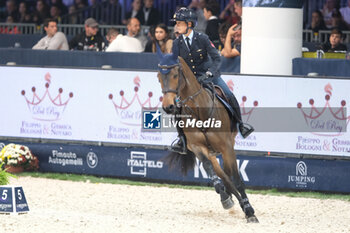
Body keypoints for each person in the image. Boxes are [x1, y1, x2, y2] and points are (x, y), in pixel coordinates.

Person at [169, 7, 254, 154]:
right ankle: (181, 139)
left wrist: (209, 73)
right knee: (177, 105)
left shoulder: (203, 39)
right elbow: (176, 64)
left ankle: (241, 125)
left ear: (189, 24)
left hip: (210, 76)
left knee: (228, 93)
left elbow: (217, 58)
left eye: (180, 23)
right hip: (191, 81)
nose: (177, 25)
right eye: (176, 23)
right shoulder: (177, 43)